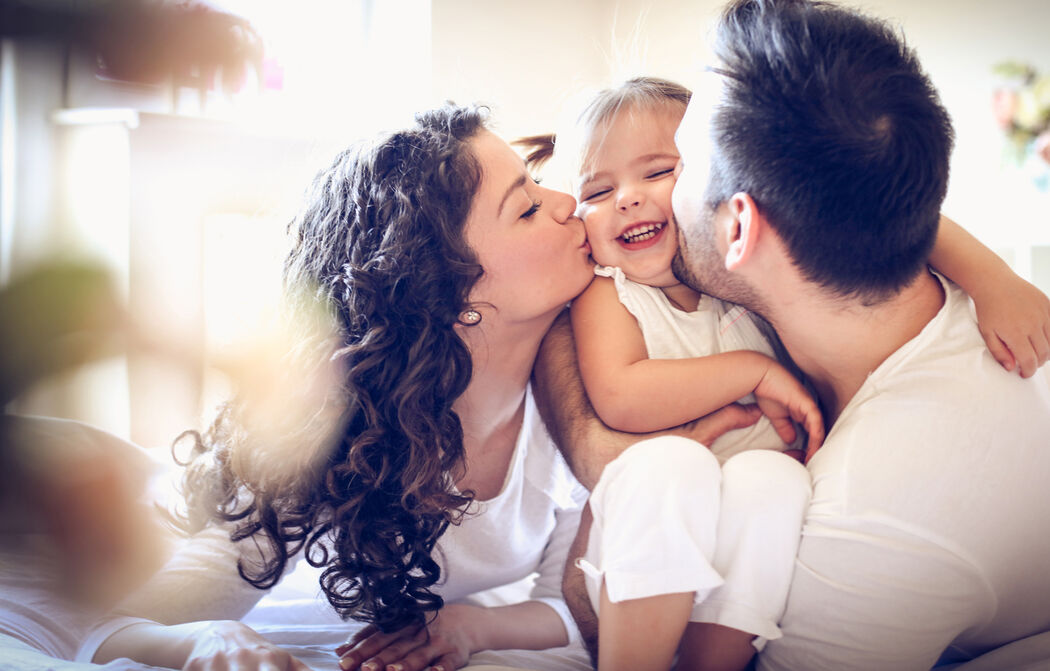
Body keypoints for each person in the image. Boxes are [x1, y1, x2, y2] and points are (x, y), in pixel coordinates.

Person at [74, 104, 755, 671]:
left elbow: (576, 605)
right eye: (525, 208)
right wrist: (209, 639)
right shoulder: (330, 434)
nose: (566, 201)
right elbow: (111, 632)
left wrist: (470, 628)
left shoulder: (583, 397)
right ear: (454, 291)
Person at [533, 1, 1050, 669]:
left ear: (740, 228)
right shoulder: (865, 235)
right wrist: (585, 439)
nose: (640, 199)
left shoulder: (876, 519)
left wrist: (591, 594)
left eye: (673, 168)